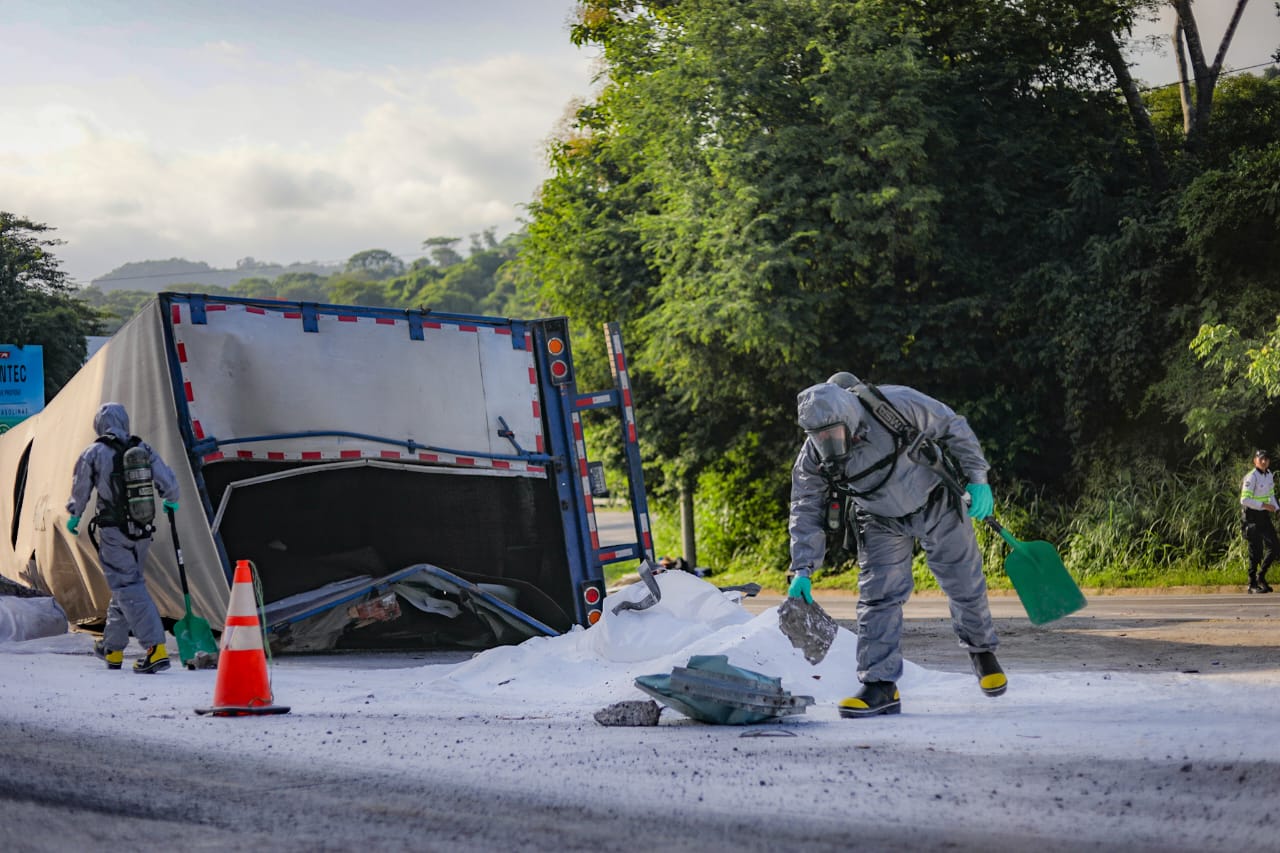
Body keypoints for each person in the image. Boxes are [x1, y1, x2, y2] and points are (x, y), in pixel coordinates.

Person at [787, 373, 1005, 717]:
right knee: (878, 597)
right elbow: (805, 506)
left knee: (963, 581)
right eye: (819, 436)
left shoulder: (897, 406)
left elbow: (953, 425)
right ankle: (879, 685)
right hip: (877, 517)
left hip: (935, 500)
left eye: (832, 432)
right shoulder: (813, 455)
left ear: (849, 417)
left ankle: (982, 652)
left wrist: (978, 478)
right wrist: (802, 568)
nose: (827, 441)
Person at [66, 402, 180, 673]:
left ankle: (156, 648)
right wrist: (170, 501)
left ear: (100, 425)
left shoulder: (94, 452)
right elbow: (168, 481)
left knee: (127, 586)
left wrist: (74, 515)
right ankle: (113, 649)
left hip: (114, 532)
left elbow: (80, 488)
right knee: (126, 585)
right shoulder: (142, 448)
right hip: (141, 531)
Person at [1239, 449, 1277, 594]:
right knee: (1255, 551)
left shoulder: (1269, 475)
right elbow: (1244, 499)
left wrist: (1277, 509)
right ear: (1255, 460)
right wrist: (1264, 505)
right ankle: (1252, 584)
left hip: (1263, 517)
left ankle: (1261, 576)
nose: (1263, 461)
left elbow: (1271, 496)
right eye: (1261, 459)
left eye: (1266, 459)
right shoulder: (1251, 477)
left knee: (1274, 547)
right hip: (1251, 518)